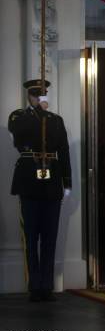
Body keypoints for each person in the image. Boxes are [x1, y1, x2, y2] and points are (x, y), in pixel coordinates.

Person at [8, 79, 72, 302]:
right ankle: (34, 285)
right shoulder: (19, 117)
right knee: (30, 236)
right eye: (36, 95)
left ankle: (46, 284)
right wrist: (38, 112)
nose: (39, 97)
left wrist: (67, 182)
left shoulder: (56, 121)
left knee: (49, 237)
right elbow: (18, 135)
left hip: (51, 182)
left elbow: (63, 151)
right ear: (29, 96)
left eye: (42, 94)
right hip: (28, 182)